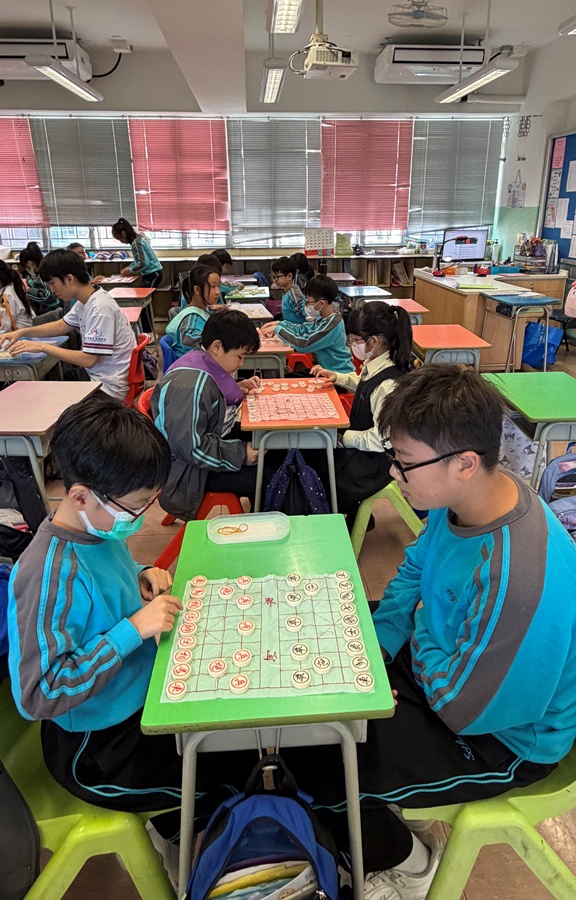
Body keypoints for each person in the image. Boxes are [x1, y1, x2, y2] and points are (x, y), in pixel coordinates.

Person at [285, 365, 576, 899]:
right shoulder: (464, 500)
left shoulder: (517, 576)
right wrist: (378, 649)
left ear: (464, 463)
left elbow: (464, 708)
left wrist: (410, 649)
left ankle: (411, 866)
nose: (393, 474)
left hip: (503, 738)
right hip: (448, 673)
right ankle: (392, 809)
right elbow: (415, 571)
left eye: (404, 462)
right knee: (325, 664)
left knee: (322, 755)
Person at [7, 396, 187, 868]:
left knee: (223, 736)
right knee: (224, 760)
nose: (141, 518)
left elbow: (106, 581)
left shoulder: (97, 532)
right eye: (134, 507)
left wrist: (140, 574)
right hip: (98, 748)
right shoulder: (46, 574)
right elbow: (39, 693)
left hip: (140, 705)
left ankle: (176, 830)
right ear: (81, 497)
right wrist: (132, 630)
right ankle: (183, 846)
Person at [151, 310, 264, 520]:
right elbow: (193, 448)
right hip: (188, 474)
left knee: (270, 444)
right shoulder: (189, 386)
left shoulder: (201, 361)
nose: (241, 364)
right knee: (271, 472)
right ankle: (261, 528)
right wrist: (241, 454)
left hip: (202, 452)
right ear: (217, 346)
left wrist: (236, 387)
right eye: (240, 356)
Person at [308, 301, 413, 515]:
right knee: (314, 450)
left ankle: (335, 516)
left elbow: (380, 440)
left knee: (315, 466)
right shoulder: (378, 362)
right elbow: (364, 383)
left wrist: (343, 438)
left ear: (374, 341)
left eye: (354, 340)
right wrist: (337, 377)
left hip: (373, 464)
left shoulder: (388, 385)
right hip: (362, 450)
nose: (351, 345)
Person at [3, 249, 135, 400]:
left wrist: (41, 347)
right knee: (49, 384)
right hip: (99, 376)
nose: (52, 290)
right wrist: (21, 332)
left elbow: (88, 360)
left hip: (109, 388)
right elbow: (61, 325)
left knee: (46, 396)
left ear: (69, 279)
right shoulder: (87, 300)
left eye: (52, 283)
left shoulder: (100, 308)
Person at [260, 274, 355, 373]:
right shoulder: (322, 319)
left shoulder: (333, 324)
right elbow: (302, 329)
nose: (307, 306)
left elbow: (305, 344)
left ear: (321, 303)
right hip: (325, 371)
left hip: (338, 374)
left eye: (309, 302)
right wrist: (280, 324)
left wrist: (279, 330)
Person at [111, 218, 163, 334]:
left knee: (143, 304)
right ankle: (147, 330)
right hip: (150, 274)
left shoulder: (136, 242)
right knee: (143, 303)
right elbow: (139, 260)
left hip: (153, 274)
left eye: (119, 239)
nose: (121, 242)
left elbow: (144, 263)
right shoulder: (136, 240)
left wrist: (130, 270)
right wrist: (129, 268)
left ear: (123, 234)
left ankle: (148, 333)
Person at [165, 265, 220, 358]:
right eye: (213, 286)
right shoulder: (191, 316)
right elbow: (188, 339)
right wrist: (219, 337)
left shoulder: (200, 310)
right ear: (197, 290)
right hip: (191, 362)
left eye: (219, 286)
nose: (217, 291)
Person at [19, 242, 61, 316]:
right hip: (45, 309)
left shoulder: (44, 273)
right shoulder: (37, 273)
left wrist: (28, 290)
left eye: (26, 266)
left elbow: (47, 296)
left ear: (30, 263)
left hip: (51, 309)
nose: (26, 269)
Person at [0, 259, 33, 335]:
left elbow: (7, 327)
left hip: (22, 334)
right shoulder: (11, 287)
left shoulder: (8, 294)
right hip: (21, 331)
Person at [271, 256, 306, 325]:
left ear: (289, 276)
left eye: (277, 277)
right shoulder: (286, 291)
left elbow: (305, 314)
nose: (274, 280)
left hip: (297, 329)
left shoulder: (294, 293)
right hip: (289, 327)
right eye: (273, 277)